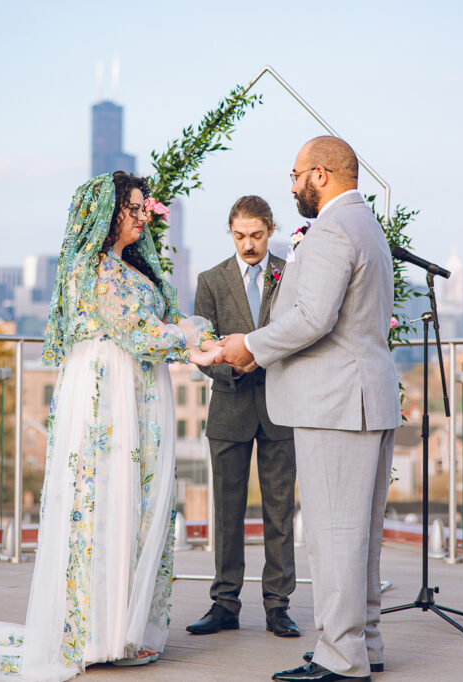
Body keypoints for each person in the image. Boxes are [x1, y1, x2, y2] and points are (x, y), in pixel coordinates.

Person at [0, 171, 219, 681]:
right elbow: (138, 330)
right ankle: (97, 629)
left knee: (137, 502)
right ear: (105, 214)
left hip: (141, 393)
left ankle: (129, 624)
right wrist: (191, 337)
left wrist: (196, 330)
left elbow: (163, 318)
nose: (140, 216)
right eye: (132, 208)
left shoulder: (137, 269)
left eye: (142, 208)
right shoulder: (89, 268)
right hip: (108, 394)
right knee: (102, 499)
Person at [217, 137, 402, 682]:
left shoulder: (331, 230)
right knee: (360, 535)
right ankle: (364, 642)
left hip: (335, 405)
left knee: (334, 535)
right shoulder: (367, 224)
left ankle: (341, 659)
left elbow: (312, 318)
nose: (293, 185)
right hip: (366, 398)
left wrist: (249, 347)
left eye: (296, 175)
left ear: (319, 174)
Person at [186, 195, 299, 638]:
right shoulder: (210, 280)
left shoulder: (291, 274)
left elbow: (298, 334)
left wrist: (259, 355)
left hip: (280, 406)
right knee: (227, 513)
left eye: (255, 235)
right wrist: (231, 363)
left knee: (280, 513)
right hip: (229, 406)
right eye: (239, 236)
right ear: (230, 232)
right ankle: (224, 604)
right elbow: (202, 347)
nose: (248, 244)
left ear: (271, 229)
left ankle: (278, 607)